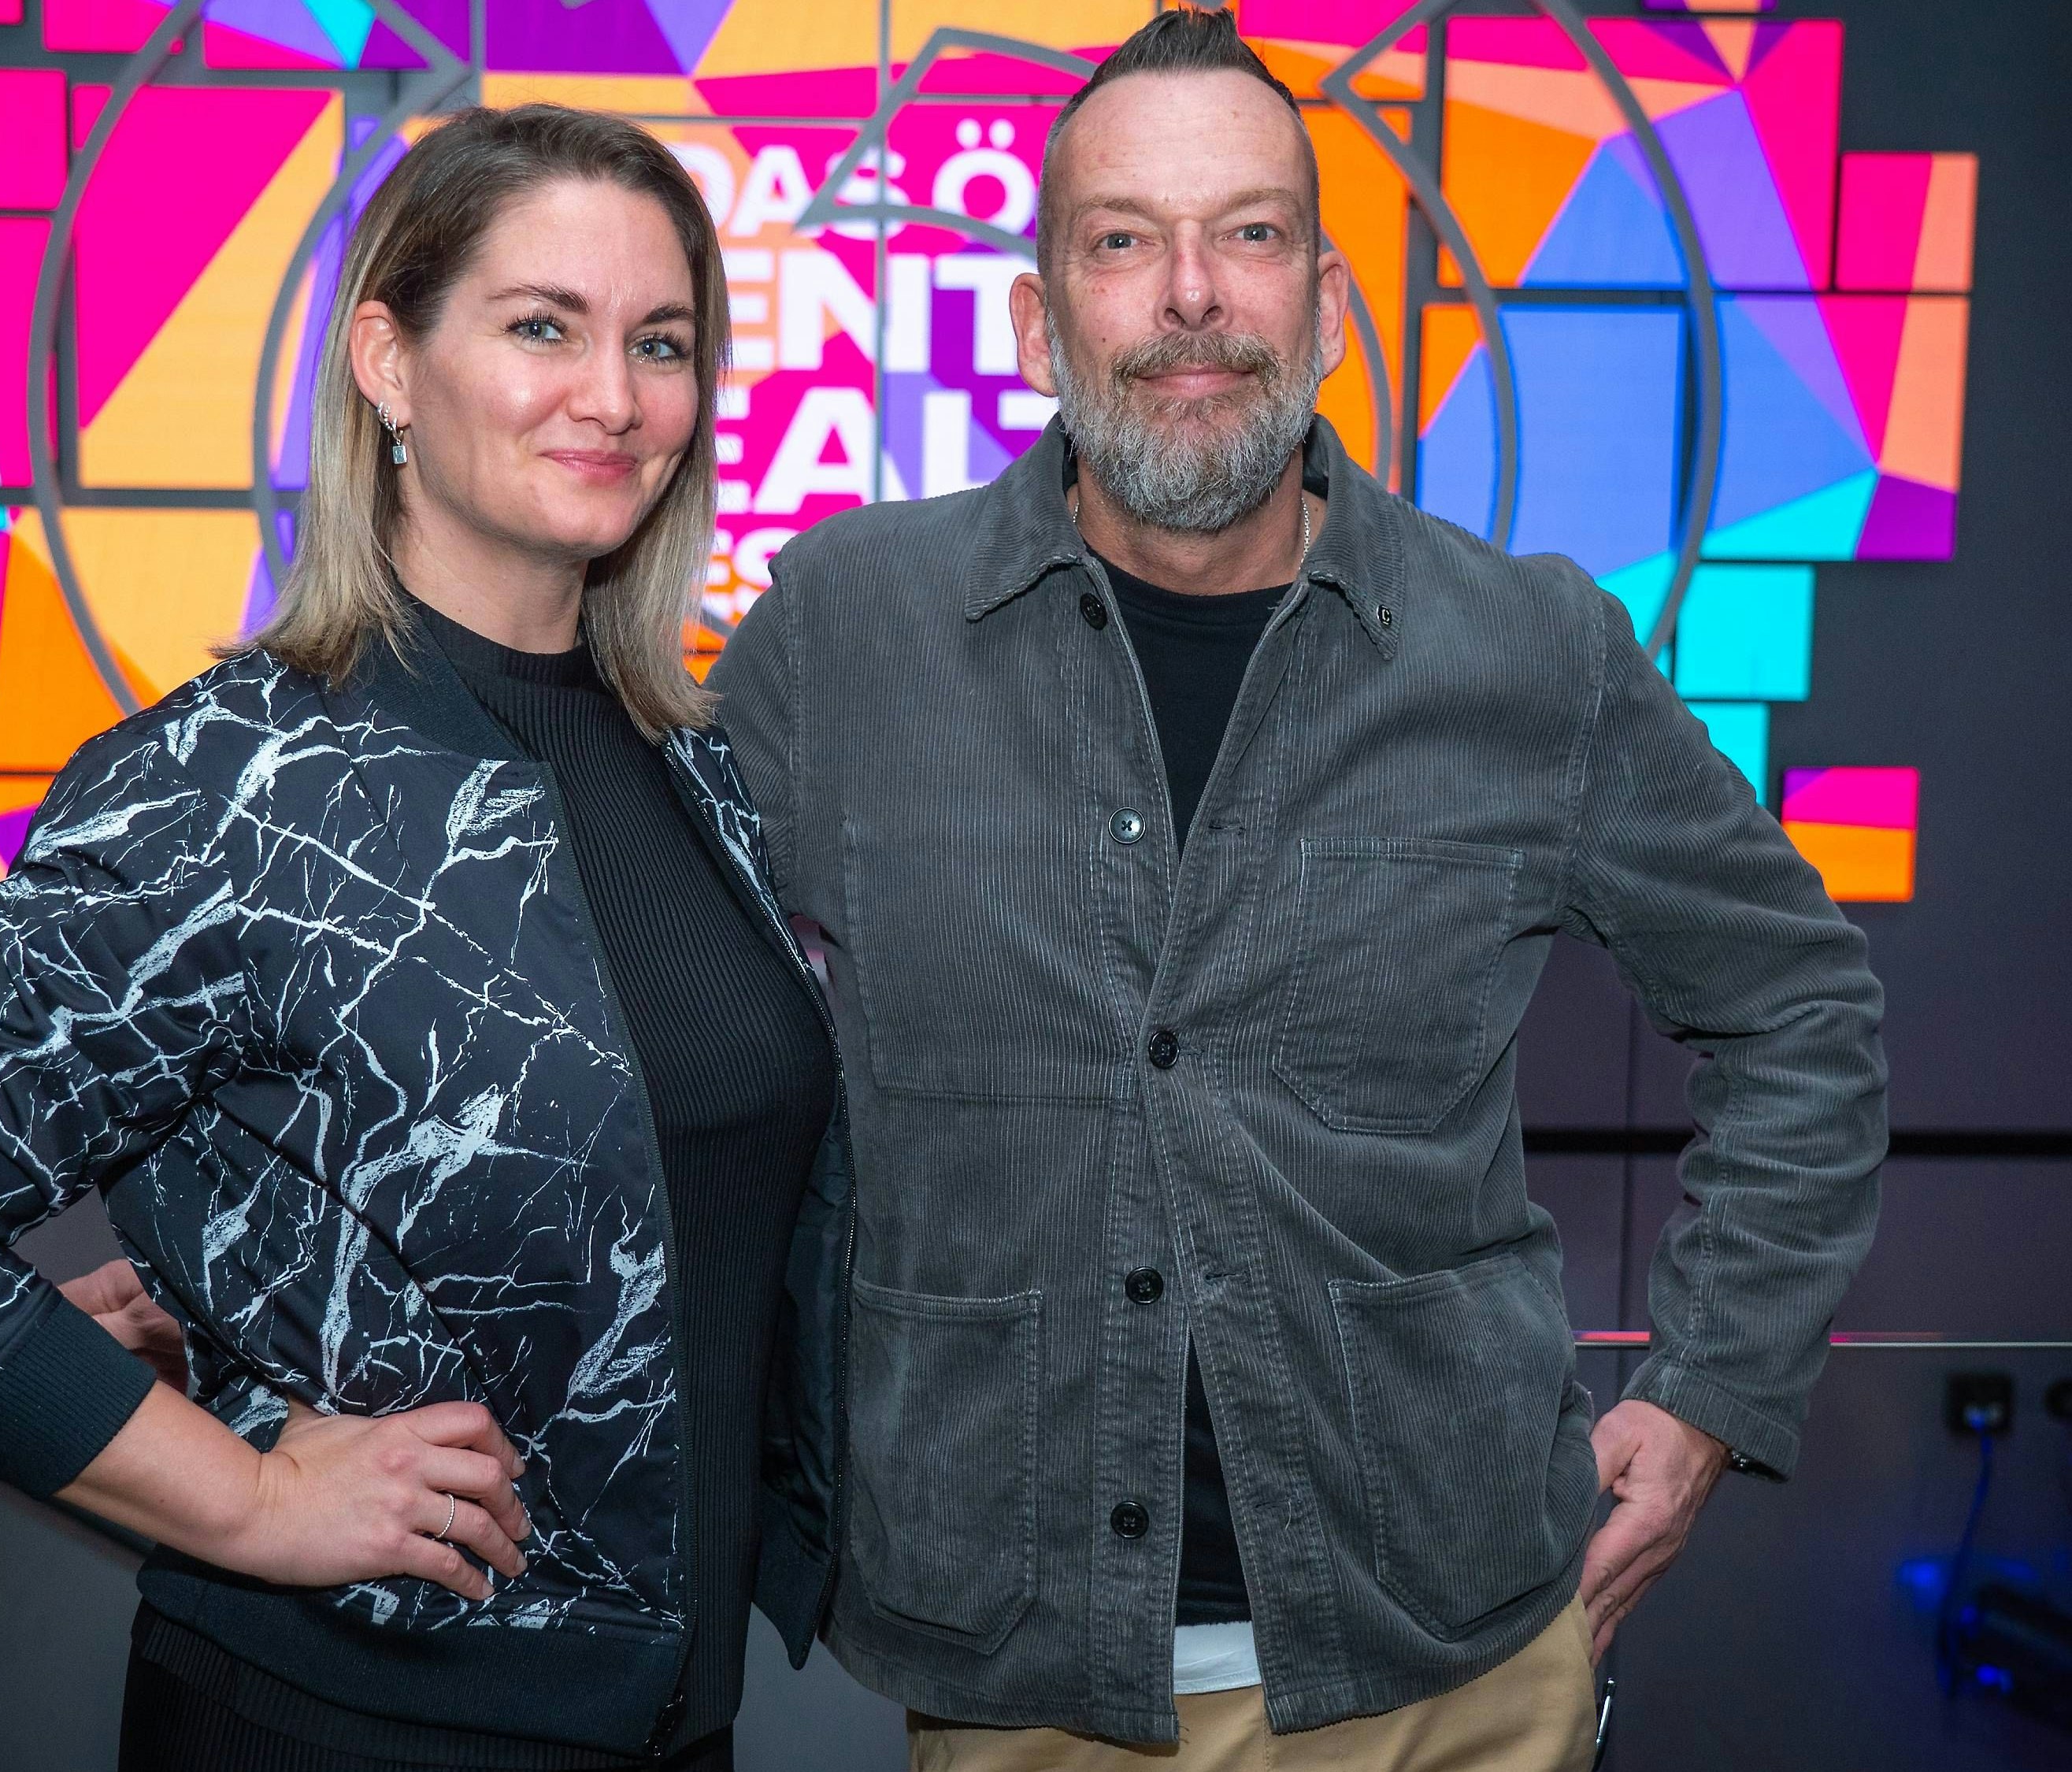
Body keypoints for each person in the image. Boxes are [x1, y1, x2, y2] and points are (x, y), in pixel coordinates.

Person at [705, 13, 1887, 1770]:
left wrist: (1707, 1391)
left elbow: (1800, 1011)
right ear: (1036, 320)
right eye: (1120, 239)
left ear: (1325, 303)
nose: (1189, 292)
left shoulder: (1529, 649)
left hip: (1456, 1665)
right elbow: (639, 1014)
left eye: (1246, 233)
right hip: (1019, 1676)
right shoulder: (841, 632)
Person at [0, 104, 858, 1772]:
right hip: (344, 1722)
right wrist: (255, 1498)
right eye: (539, 326)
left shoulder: (687, 761)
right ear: (386, 361)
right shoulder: (223, 785)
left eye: (660, 342)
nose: (614, 397)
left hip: (669, 1720)